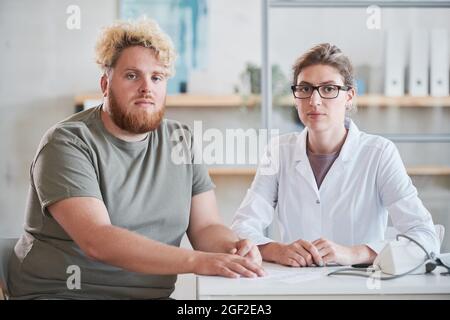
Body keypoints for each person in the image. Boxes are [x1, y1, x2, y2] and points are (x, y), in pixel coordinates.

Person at [8, 19, 264, 300]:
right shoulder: (67, 142)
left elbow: (206, 227)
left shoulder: (181, 140)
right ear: (106, 84)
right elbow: (98, 240)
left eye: (157, 78)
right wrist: (198, 261)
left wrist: (233, 248)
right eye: (132, 76)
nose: (146, 88)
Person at [231, 43, 440, 268]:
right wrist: (277, 250)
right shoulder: (279, 151)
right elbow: (241, 229)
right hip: (296, 287)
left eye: (329, 89)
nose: (314, 101)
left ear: (349, 96)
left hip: (360, 288)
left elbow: (425, 237)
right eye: (305, 89)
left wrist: (354, 254)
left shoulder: (379, 154)